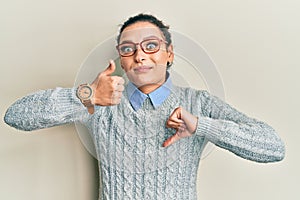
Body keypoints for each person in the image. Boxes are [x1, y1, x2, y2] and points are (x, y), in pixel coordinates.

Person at [4, 13, 285, 200]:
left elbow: (273, 148)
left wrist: (202, 125)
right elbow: (15, 116)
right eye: (128, 49)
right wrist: (86, 95)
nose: (139, 56)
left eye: (150, 45)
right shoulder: (101, 100)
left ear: (169, 53)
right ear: (122, 60)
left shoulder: (198, 103)